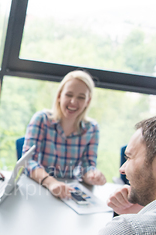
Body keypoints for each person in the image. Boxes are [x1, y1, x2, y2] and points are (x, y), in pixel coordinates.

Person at [22, 70, 106, 199]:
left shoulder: (92, 129)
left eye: (81, 97)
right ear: (59, 96)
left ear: (88, 101)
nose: (73, 102)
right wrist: (51, 182)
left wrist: (92, 175)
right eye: (69, 95)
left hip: (67, 192)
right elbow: (28, 162)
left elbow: (87, 165)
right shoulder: (41, 119)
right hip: (38, 188)